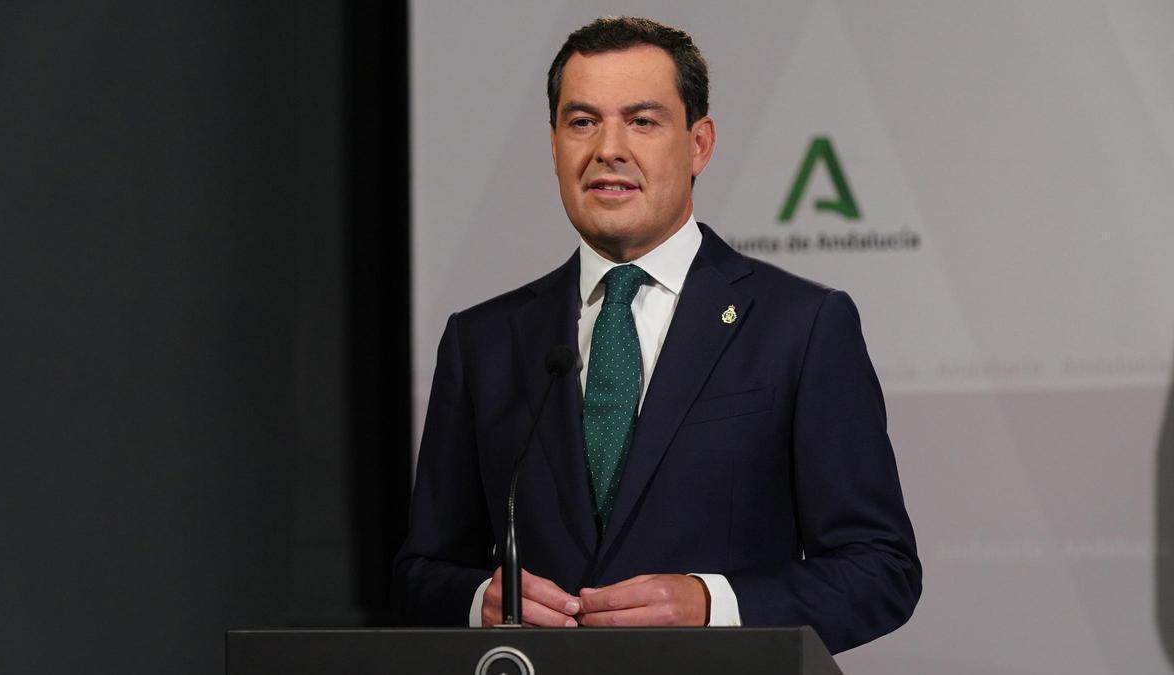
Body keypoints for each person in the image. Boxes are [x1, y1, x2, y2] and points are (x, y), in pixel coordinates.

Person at [393, 16, 921, 653]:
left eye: (642, 121)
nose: (608, 149)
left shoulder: (802, 325)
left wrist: (711, 604)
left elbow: (879, 569)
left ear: (699, 144)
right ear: (555, 145)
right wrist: (480, 599)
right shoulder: (483, 342)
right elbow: (422, 572)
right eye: (582, 122)